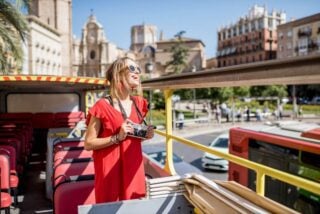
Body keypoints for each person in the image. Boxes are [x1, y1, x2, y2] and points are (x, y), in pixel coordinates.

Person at [84, 57, 154, 203]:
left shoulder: (139, 104)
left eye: (138, 69)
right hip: (109, 174)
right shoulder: (102, 106)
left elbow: (131, 137)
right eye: (132, 69)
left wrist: (145, 135)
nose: (137, 73)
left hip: (133, 171)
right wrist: (116, 137)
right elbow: (88, 143)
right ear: (118, 74)